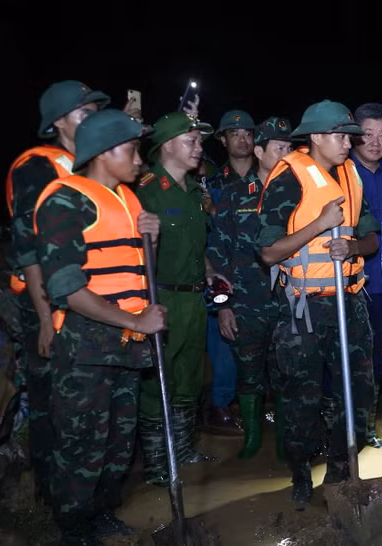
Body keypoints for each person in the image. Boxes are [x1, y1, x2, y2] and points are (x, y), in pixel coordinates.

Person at [33, 109, 167, 545]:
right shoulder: (64, 199)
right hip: (86, 346)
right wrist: (136, 320)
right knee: (80, 445)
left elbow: (130, 269)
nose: (140, 160)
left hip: (126, 344)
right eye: (131, 150)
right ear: (105, 153)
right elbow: (68, 289)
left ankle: (102, 513)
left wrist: (154, 238)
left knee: (117, 441)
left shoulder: (130, 199)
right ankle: (73, 529)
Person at [256, 99, 378, 504]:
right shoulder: (288, 178)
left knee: (358, 391)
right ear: (316, 137)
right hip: (303, 309)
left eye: (349, 136)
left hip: (350, 302)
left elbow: (372, 237)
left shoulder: (351, 175)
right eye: (341, 136)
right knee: (300, 396)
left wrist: (354, 244)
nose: (349, 143)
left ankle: (342, 469)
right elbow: (269, 253)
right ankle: (300, 474)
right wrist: (320, 226)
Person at [6, 80, 109, 505]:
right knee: (54, 404)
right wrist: (46, 318)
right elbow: (28, 248)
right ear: (58, 122)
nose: (91, 118)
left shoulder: (88, 163)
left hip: (89, 301)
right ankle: (55, 501)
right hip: (48, 303)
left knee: (94, 406)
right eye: (84, 112)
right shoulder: (36, 168)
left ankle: (95, 499)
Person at [136, 111, 227, 485]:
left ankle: (185, 450)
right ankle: (158, 466)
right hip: (162, 298)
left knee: (190, 376)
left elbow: (193, 243)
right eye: (191, 141)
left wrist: (208, 268)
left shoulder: (193, 192)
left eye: (199, 141)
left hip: (193, 300)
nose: (198, 147)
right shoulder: (146, 192)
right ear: (167, 146)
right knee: (159, 379)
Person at [208, 116, 293, 460]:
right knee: (248, 373)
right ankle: (253, 437)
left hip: (289, 300)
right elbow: (217, 254)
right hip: (245, 301)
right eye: (279, 148)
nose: (286, 154)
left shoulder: (296, 193)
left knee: (287, 372)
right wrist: (223, 305)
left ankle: (288, 441)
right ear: (260, 152)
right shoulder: (233, 195)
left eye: (290, 148)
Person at [205, 109, 261, 434]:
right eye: (234, 134)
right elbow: (207, 238)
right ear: (223, 140)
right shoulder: (211, 185)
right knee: (224, 344)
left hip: (263, 277)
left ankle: (258, 403)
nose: (242, 139)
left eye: (248, 133)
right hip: (226, 276)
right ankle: (220, 406)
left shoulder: (269, 178)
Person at [350, 103, 382, 449]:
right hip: (352, 282)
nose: (376, 141)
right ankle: (343, 428)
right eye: (368, 133)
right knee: (350, 357)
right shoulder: (341, 172)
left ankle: (367, 425)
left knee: (381, 356)